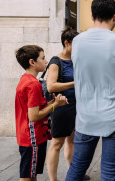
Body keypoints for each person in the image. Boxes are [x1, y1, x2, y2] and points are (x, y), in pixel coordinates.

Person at [66, 0, 115, 181]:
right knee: (110, 173)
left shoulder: (78, 41)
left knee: (76, 169)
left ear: (92, 16)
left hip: (86, 116)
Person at [15, 45, 68, 181]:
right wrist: (55, 105)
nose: (46, 62)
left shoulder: (26, 80)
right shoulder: (33, 84)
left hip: (28, 135)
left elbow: (35, 109)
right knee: (27, 176)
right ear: (32, 62)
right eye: (43, 58)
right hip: (32, 136)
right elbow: (34, 116)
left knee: (31, 174)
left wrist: (54, 103)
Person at [45, 28, 90, 181]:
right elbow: (51, 86)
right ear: (67, 43)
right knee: (57, 143)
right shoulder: (55, 61)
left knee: (72, 140)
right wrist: (75, 83)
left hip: (78, 106)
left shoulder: (77, 59)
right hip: (62, 107)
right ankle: (53, 179)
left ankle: (74, 173)